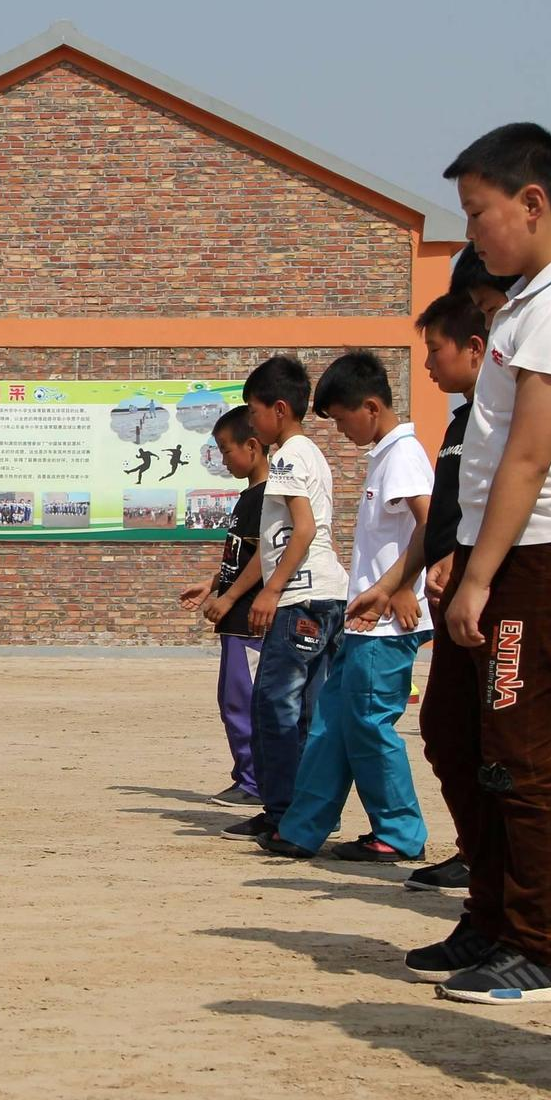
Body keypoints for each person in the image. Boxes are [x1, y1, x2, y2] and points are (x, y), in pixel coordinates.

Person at [406, 121, 551, 1006]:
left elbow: (530, 459)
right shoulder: (528, 303)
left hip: (542, 561)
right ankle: (492, 916)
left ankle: (547, 946)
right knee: (457, 733)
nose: (472, 236)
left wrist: (483, 573)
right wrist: (466, 560)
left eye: (478, 214)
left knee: (523, 755)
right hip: (494, 557)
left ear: (532, 203)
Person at [259, 351, 433, 862]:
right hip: (364, 620)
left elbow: (432, 522)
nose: (341, 431)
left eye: (342, 419)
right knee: (331, 723)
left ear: (372, 407)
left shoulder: (404, 455)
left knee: (367, 724)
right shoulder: (385, 454)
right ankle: (302, 828)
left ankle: (399, 833)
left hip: (385, 626)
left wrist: (401, 584)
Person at [221, 355, 347, 843]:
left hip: (302, 599)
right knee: (306, 711)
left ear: (278, 408)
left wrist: (272, 592)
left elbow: (305, 529)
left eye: (254, 411)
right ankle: (308, 812)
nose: (252, 421)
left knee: (274, 706)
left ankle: (282, 813)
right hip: (321, 596)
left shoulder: (291, 455)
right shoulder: (307, 454)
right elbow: (277, 541)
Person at [402, 290, 490, 894]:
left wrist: (466, 562)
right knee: (444, 729)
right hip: (451, 599)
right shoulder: (462, 421)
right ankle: (476, 852)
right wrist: (398, 581)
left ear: (476, 349)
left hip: (488, 600)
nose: (428, 365)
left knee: (503, 745)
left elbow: (491, 507)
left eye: (436, 351)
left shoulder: (501, 417)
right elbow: (439, 521)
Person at [177, 405, 266, 807]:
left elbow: (268, 555)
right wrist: (213, 582)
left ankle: (255, 781)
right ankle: (247, 776)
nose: (223, 459)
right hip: (236, 614)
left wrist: (229, 596)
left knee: (245, 701)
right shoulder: (249, 496)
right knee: (232, 699)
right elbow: (242, 557)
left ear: (252, 445)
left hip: (250, 616)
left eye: (226, 451)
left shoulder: (268, 496)